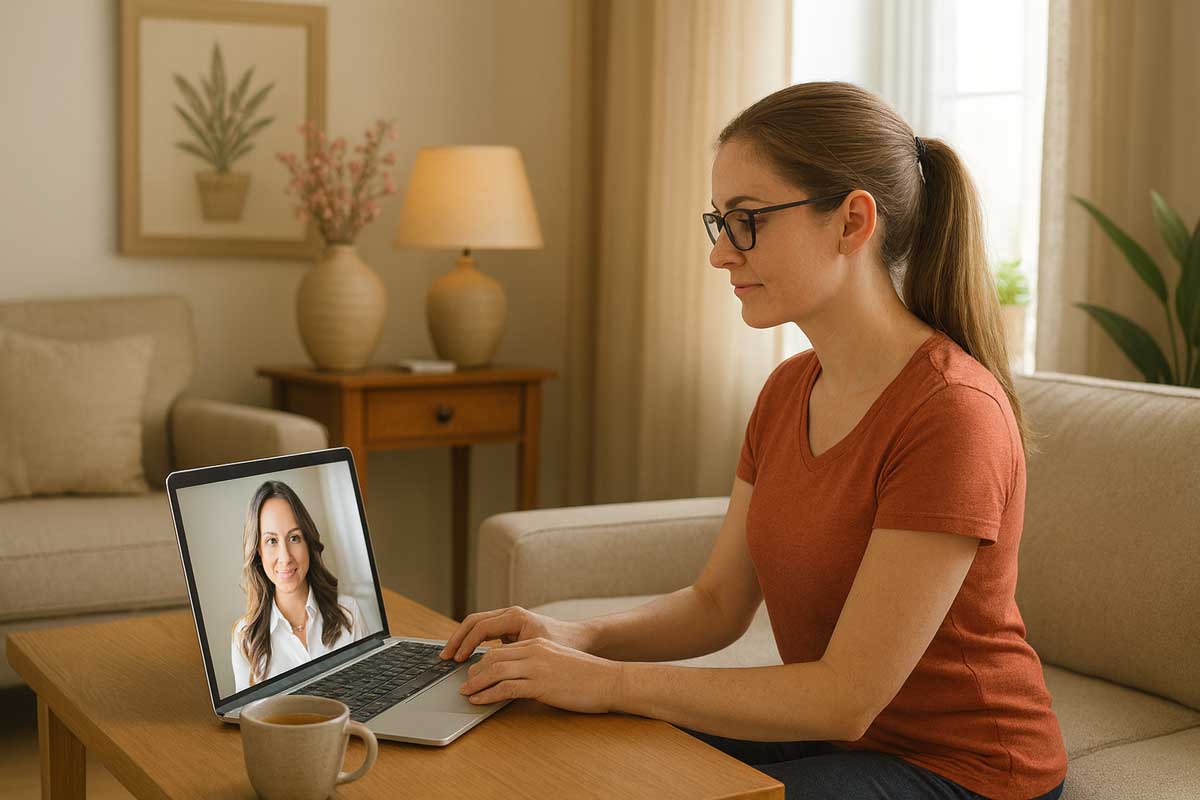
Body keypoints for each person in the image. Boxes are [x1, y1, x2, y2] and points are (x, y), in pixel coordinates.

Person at [436, 81, 1067, 800]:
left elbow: (845, 696)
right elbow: (717, 604)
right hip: (842, 737)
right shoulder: (787, 391)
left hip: (966, 769)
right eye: (720, 222)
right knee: (549, 737)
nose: (721, 255)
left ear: (853, 221)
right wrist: (579, 638)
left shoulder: (951, 415)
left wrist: (610, 683)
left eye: (748, 220)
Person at [231, 480, 369, 692]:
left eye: (294, 538)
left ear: (308, 541)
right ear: (258, 549)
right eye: (271, 541)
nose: (285, 558)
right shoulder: (245, 638)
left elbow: (369, 693)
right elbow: (245, 719)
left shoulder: (349, 613)